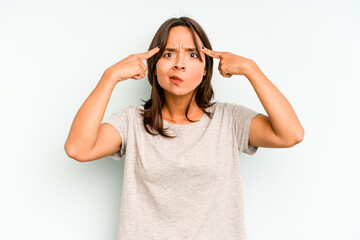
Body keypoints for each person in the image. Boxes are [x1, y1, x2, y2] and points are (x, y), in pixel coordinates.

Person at [64, 16, 304, 240]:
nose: (179, 64)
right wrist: (110, 76)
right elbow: (78, 148)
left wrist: (252, 69)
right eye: (168, 54)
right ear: (154, 65)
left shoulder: (229, 120)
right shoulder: (131, 122)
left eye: (192, 55)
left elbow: (291, 134)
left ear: (206, 69)